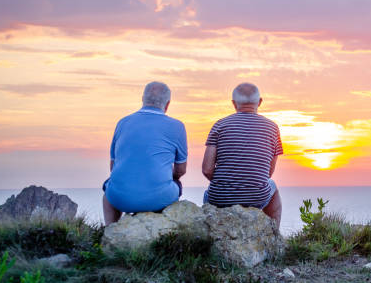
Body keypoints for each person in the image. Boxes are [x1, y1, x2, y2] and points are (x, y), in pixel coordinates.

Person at [102, 81, 187, 225]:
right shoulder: (177, 126)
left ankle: (109, 230)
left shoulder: (123, 123)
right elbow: (181, 170)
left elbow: (113, 167)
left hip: (120, 198)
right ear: (167, 104)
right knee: (176, 184)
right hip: (159, 198)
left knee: (108, 191)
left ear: (142, 99)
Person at [202, 83, 283, 229]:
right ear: (259, 102)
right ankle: (274, 234)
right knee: (273, 187)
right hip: (256, 197)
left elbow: (207, 169)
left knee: (207, 194)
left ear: (234, 103)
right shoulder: (272, 128)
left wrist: (226, 183)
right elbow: (268, 173)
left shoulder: (220, 125)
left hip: (220, 197)